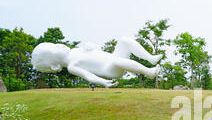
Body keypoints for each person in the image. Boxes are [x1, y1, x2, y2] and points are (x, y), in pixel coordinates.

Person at [31, 37, 162, 88]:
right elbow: (89, 76)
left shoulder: (76, 49)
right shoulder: (72, 66)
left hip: (112, 57)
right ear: (54, 65)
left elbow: (97, 53)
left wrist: (93, 46)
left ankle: (151, 58)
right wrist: (104, 82)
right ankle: (148, 72)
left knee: (124, 41)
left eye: (55, 44)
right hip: (109, 69)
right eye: (55, 49)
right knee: (118, 61)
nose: (59, 45)